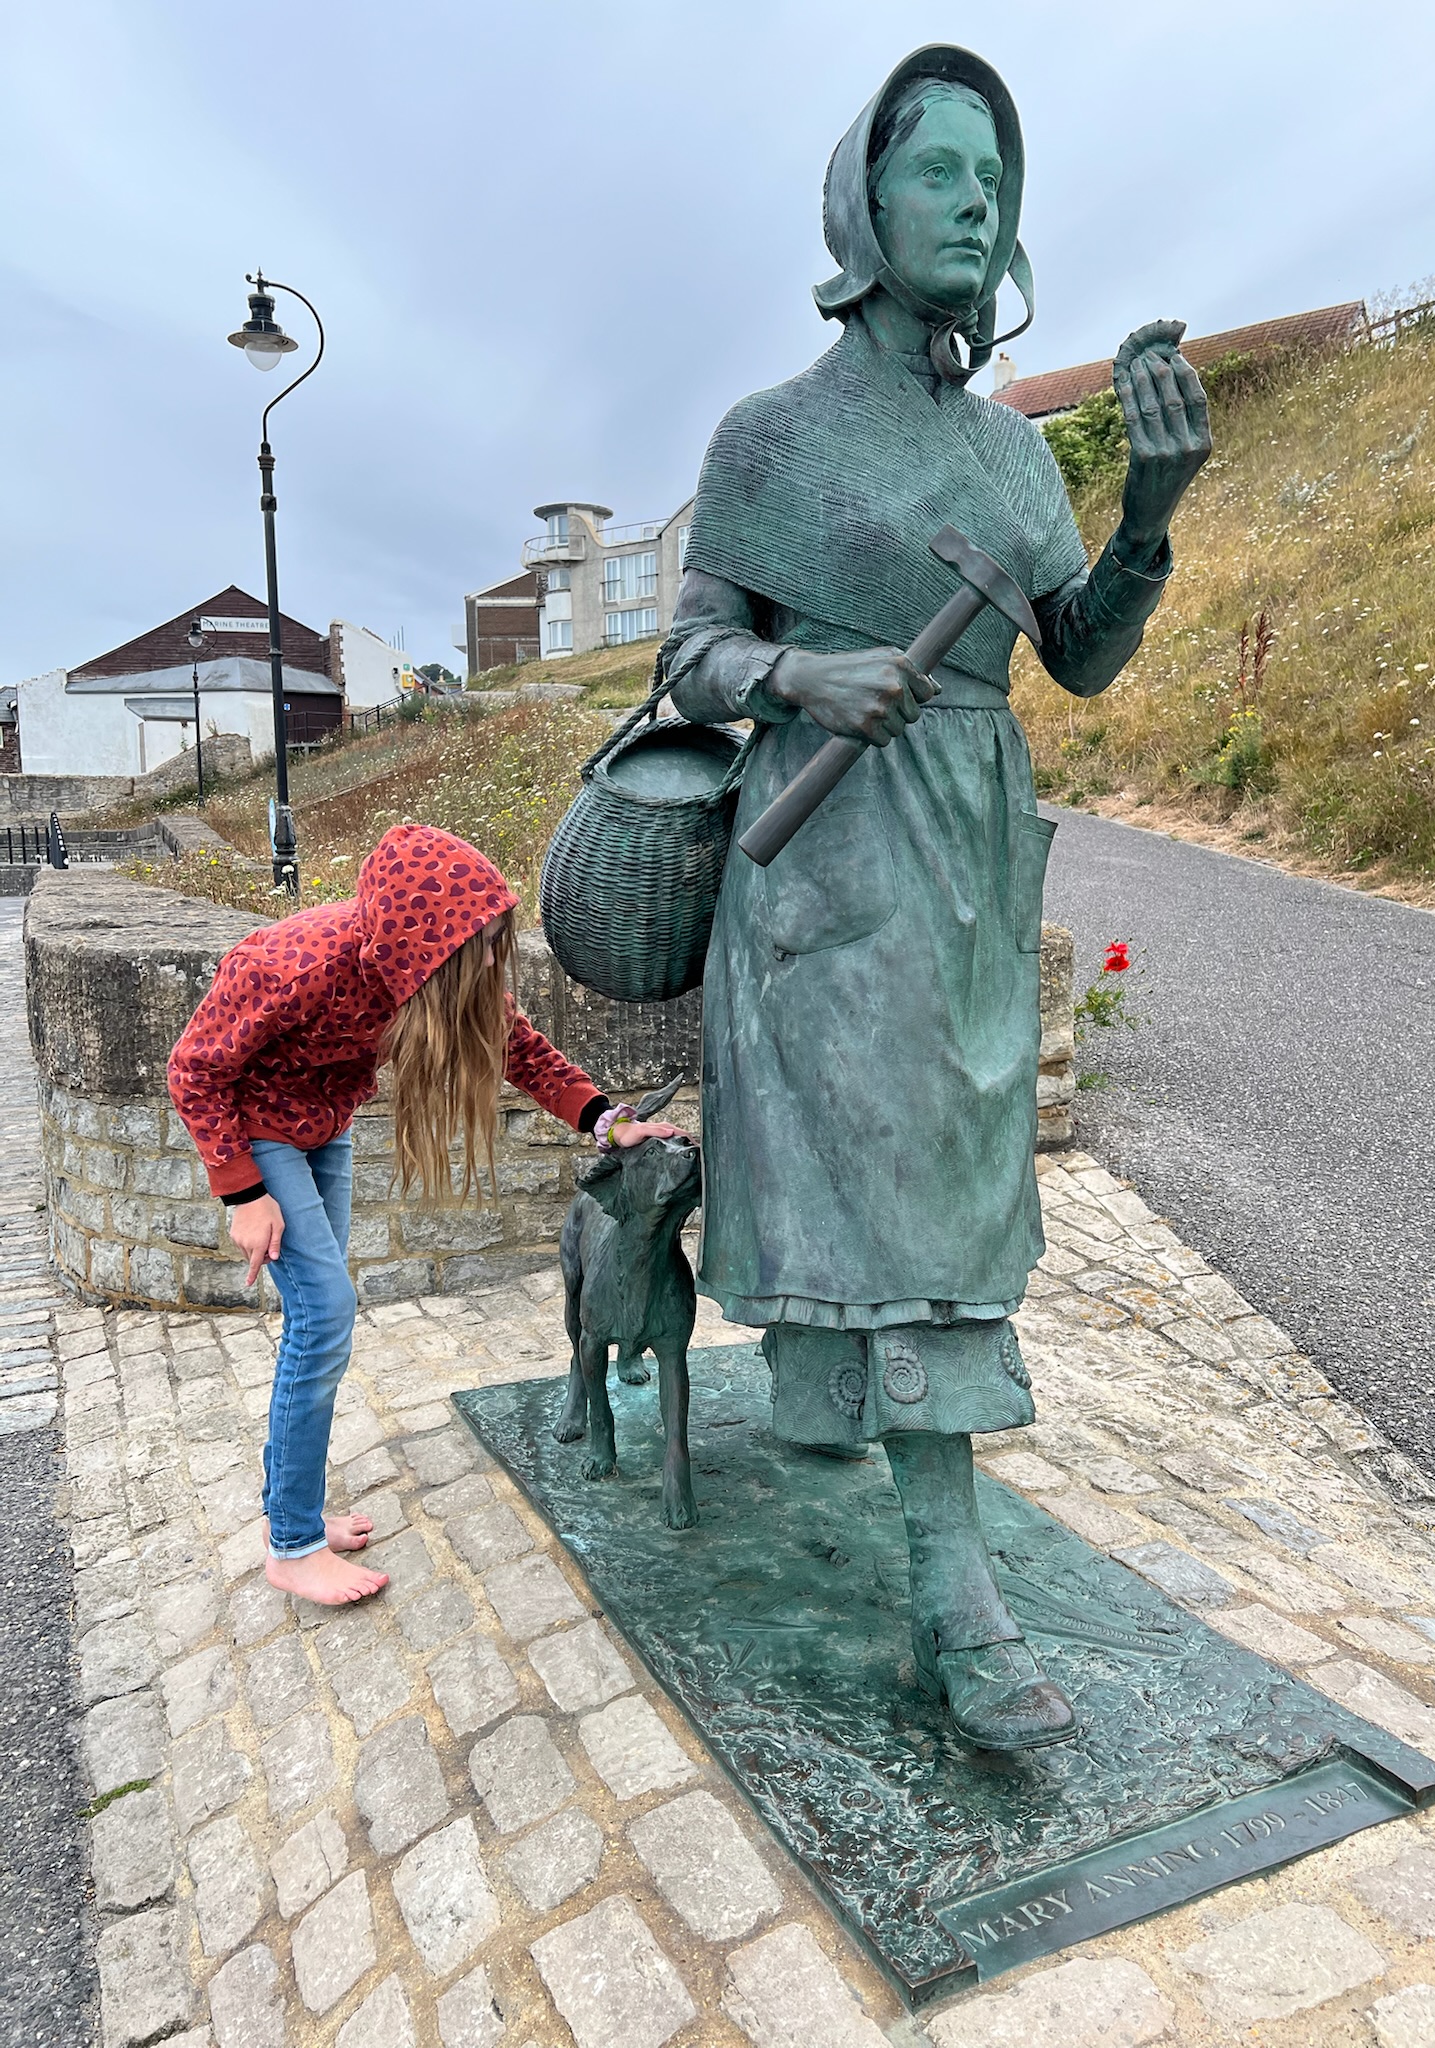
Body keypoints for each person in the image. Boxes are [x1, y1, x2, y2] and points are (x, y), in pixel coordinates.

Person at [663, 47, 1210, 1749]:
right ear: (864, 204)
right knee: (886, 1203)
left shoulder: (1011, 458)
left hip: (967, 863)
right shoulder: (767, 439)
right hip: (822, 859)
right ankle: (957, 1592)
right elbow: (688, 656)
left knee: (954, 1198)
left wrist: (1148, 517)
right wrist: (796, 677)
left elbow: (1082, 658)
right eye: (940, 172)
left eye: (995, 178)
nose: (977, 203)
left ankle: (866, 1439)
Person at [167, 823, 683, 1606]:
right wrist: (242, 1192)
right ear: (421, 949)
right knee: (324, 1316)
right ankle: (292, 1544)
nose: (491, 962)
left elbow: (522, 1051)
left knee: (317, 1320)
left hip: (325, 1129)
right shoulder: (292, 965)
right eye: (478, 949)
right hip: (261, 1130)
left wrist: (608, 1121)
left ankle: (292, 1509)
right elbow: (194, 1069)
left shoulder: (436, 968)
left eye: (494, 943)